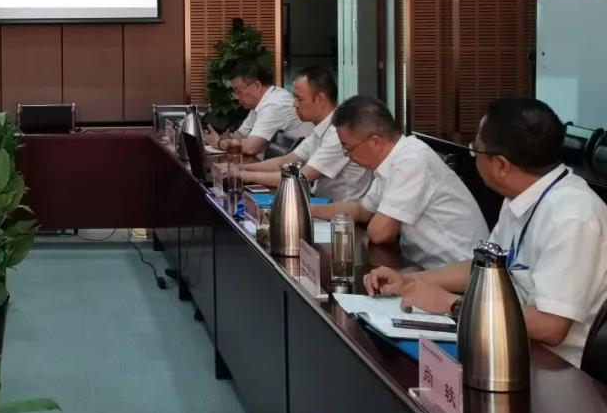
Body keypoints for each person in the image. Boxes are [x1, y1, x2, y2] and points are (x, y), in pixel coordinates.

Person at [365, 97, 607, 367]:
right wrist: (411, 281)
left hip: (551, 367)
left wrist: (453, 305)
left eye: (475, 150)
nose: (473, 156)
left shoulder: (573, 217)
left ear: (501, 165)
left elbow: (550, 326)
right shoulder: (521, 195)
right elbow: (484, 268)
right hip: (505, 342)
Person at [311, 95, 487, 268]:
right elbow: (362, 210)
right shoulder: (392, 160)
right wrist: (310, 210)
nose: (346, 155)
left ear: (374, 142)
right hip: (422, 269)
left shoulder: (412, 160)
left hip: (459, 272)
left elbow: (380, 233)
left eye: (348, 148)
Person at [233, 67, 374, 201]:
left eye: (299, 99)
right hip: (321, 203)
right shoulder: (321, 128)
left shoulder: (338, 132)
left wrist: (245, 175)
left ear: (320, 99)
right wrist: (242, 168)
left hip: (341, 212)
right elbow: (286, 161)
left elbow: (300, 177)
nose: (294, 104)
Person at [203, 60, 313, 159]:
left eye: (238, 91)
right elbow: (240, 135)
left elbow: (251, 147)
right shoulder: (260, 103)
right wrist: (225, 137)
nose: (236, 97)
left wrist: (219, 143)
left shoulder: (275, 104)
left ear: (257, 85)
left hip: (295, 169)